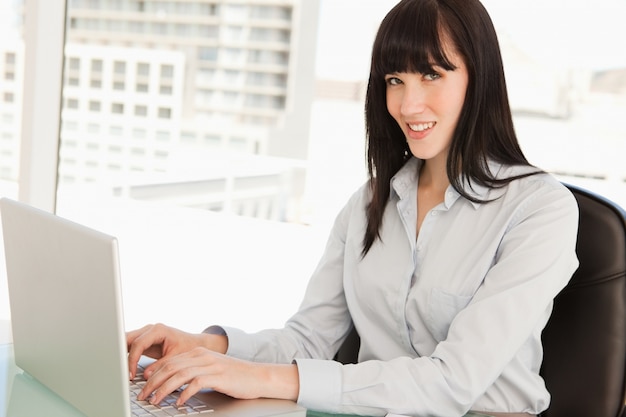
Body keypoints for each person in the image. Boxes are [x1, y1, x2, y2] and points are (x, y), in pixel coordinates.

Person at [126, 0, 579, 416]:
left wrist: (256, 377)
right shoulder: (367, 204)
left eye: (432, 75)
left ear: (478, 77)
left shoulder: (540, 210)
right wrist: (206, 347)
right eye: (394, 80)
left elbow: (452, 381)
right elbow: (308, 340)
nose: (407, 104)